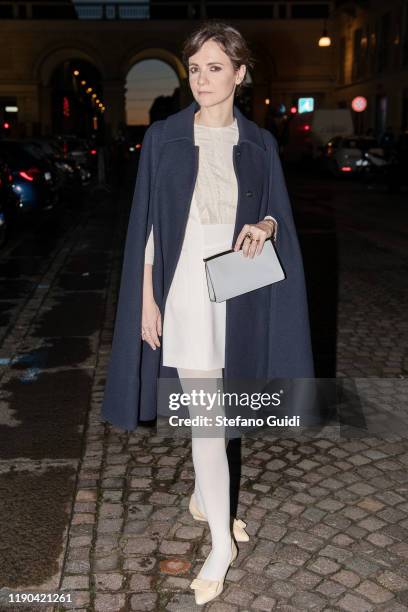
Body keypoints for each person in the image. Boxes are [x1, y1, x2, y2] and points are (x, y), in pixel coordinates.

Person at [101, 21, 315, 606]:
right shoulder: (165, 137)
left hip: (241, 288)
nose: (202, 79)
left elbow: (277, 214)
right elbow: (147, 228)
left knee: (229, 409)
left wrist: (266, 224)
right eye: (194, 68)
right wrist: (148, 297)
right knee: (209, 421)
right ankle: (221, 542)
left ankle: (204, 500)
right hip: (187, 290)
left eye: (215, 67)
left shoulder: (261, 143)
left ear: (241, 74)